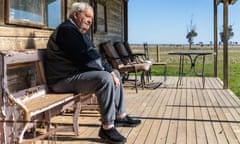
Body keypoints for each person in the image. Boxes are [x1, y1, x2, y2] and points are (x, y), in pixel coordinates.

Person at [45, 2, 141, 144]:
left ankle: (120, 116)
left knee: (114, 72)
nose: (90, 20)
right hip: (62, 80)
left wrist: (109, 70)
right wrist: (106, 72)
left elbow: (95, 57)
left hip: (74, 75)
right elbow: (85, 58)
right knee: (105, 79)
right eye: (88, 16)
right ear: (76, 15)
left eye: (92, 18)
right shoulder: (67, 31)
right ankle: (107, 128)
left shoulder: (77, 32)